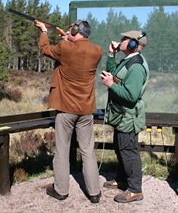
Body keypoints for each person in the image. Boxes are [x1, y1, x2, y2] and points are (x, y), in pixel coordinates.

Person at [34, 19, 103, 203]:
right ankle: (95, 192)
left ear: (74, 30)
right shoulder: (97, 50)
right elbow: (78, 51)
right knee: (88, 150)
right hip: (86, 109)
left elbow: (45, 49)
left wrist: (43, 31)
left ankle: (61, 190)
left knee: (63, 151)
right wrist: (68, 38)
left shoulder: (65, 48)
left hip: (66, 109)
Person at [100, 30, 149, 203]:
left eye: (124, 39)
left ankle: (135, 189)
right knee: (120, 147)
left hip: (128, 117)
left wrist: (111, 85)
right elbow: (114, 72)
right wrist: (111, 55)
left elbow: (131, 95)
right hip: (122, 115)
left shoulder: (136, 66)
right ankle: (122, 179)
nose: (120, 41)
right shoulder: (128, 61)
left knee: (129, 152)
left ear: (133, 44)